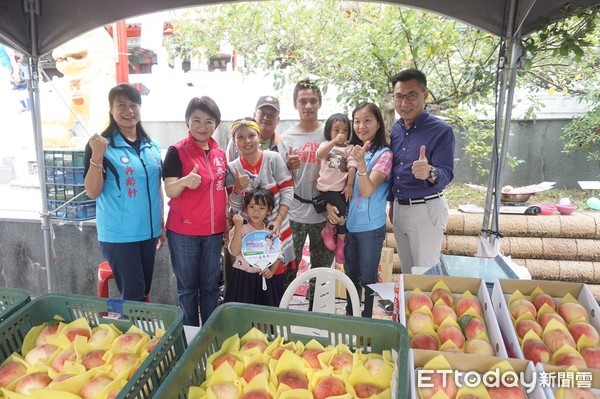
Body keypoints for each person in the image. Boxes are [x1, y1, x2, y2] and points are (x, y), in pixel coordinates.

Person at [84, 83, 165, 302]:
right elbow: (92, 191)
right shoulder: (101, 145)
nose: (128, 111)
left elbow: (157, 185)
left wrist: (161, 221)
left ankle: (133, 329)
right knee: (133, 294)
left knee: (143, 288)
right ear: (111, 110)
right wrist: (97, 156)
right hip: (119, 234)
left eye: (133, 105)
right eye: (121, 105)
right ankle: (132, 332)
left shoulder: (152, 146)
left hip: (148, 233)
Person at [163, 96, 227, 326]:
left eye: (209, 121)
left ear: (216, 124)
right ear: (187, 122)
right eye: (197, 120)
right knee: (188, 289)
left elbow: (222, 190)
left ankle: (209, 334)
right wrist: (184, 182)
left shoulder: (220, 153)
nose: (202, 127)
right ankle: (190, 335)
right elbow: (170, 190)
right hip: (184, 233)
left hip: (213, 233)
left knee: (210, 287)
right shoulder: (177, 151)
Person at [327, 102, 392, 318]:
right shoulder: (350, 150)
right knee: (350, 274)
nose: (361, 126)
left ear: (378, 123)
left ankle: (367, 319)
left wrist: (363, 164)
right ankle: (350, 314)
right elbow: (332, 181)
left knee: (368, 277)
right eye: (357, 121)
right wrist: (329, 204)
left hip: (371, 228)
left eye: (367, 120)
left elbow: (366, 191)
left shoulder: (384, 154)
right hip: (350, 225)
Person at [388, 69, 455, 274]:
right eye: (399, 96)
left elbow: (446, 174)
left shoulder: (441, 130)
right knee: (409, 273)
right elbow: (394, 170)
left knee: (426, 274)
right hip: (400, 209)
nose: (404, 103)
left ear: (425, 95)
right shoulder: (396, 129)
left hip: (426, 209)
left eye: (412, 95)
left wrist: (429, 172)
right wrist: (392, 203)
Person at [278, 79, 334, 298]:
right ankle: (283, 316)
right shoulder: (286, 137)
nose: (308, 106)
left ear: (320, 103)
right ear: (295, 104)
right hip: (295, 212)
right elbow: (280, 177)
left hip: (324, 214)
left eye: (313, 101)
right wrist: (287, 167)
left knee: (321, 271)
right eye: (303, 101)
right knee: (289, 268)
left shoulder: (330, 134)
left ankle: (316, 316)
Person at [226, 118, 293, 299]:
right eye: (240, 137)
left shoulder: (273, 158)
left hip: (276, 231)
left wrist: (278, 221)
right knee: (250, 287)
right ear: (234, 141)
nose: (247, 141)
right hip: (249, 237)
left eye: (251, 136)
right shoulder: (232, 168)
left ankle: (273, 323)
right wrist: (238, 189)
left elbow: (288, 190)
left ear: (259, 137)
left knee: (275, 281)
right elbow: (235, 207)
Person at [224, 187, 282, 306]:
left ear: (269, 210)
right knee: (240, 314)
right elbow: (234, 251)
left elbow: (278, 255)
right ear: (246, 208)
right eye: (252, 207)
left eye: (261, 208)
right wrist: (238, 227)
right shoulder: (241, 228)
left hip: (262, 277)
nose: (256, 212)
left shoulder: (270, 232)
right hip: (241, 278)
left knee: (262, 315)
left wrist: (271, 271)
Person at [316, 113, 356, 263]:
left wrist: (350, 185)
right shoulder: (326, 144)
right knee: (340, 211)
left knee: (344, 216)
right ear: (329, 131)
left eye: (345, 130)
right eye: (337, 130)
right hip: (326, 188)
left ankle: (340, 245)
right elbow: (320, 154)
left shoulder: (350, 148)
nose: (341, 133)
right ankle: (327, 229)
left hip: (341, 188)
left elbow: (352, 166)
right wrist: (333, 142)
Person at [226, 95, 281, 161]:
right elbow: (228, 167)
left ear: (278, 120)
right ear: (254, 115)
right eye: (262, 113)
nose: (266, 118)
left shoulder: (283, 144)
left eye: (271, 115)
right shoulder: (236, 141)